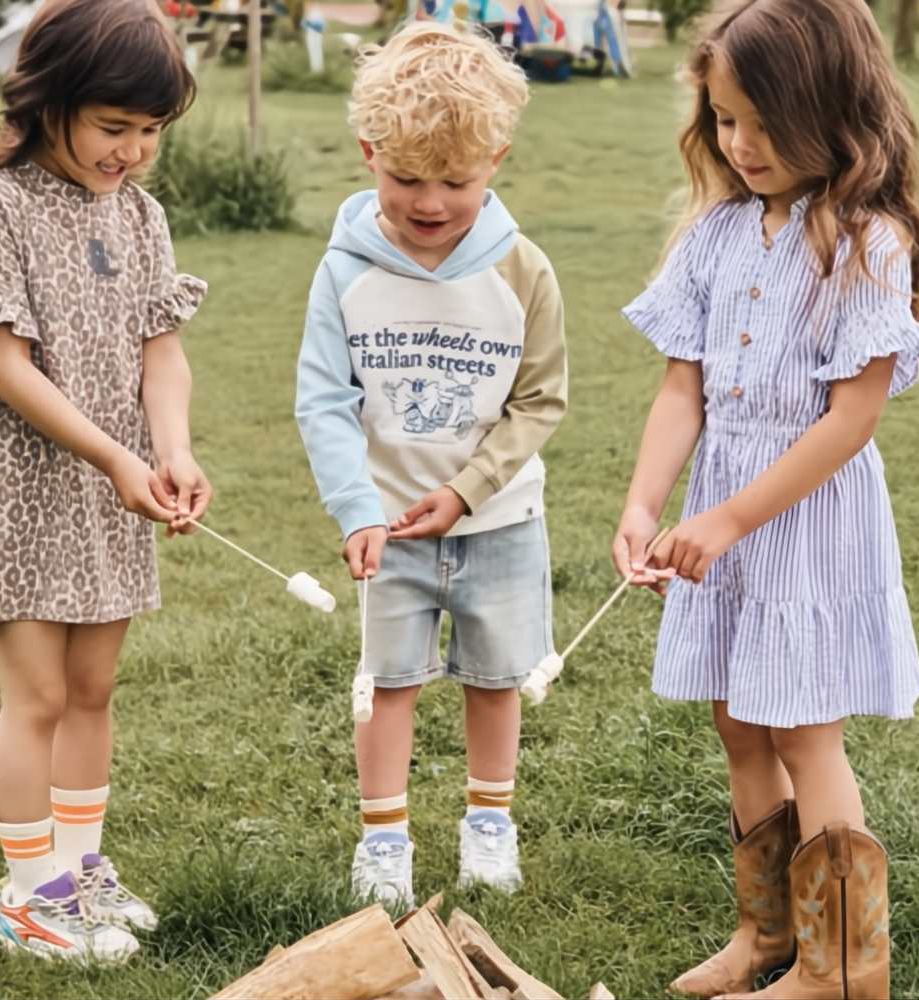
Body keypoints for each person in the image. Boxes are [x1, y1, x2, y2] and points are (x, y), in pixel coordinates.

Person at [612, 1, 919, 997]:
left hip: (805, 519)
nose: (739, 144)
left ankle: (842, 964)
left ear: (829, 110)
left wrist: (725, 520)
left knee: (802, 725)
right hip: (723, 512)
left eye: (761, 121)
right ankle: (765, 934)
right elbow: (684, 387)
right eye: (722, 119)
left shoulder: (865, 242)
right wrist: (645, 503)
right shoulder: (715, 234)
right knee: (737, 717)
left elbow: (849, 422)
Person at [0, 0, 211, 963]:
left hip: (118, 489)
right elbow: (8, 365)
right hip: (24, 490)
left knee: (94, 687)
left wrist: (171, 449)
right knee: (39, 695)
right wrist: (114, 456)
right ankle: (28, 896)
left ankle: (79, 867)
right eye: (114, 127)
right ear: (45, 102)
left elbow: (164, 355)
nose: (133, 151)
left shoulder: (140, 216)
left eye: (150, 131)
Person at [296, 21, 567, 905]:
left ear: (498, 158)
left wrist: (468, 489)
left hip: (500, 521)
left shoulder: (525, 271)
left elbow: (539, 402)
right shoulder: (343, 273)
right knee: (387, 683)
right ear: (369, 151)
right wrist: (356, 510)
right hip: (389, 530)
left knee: (496, 680)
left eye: (455, 178)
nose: (430, 200)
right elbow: (324, 400)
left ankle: (489, 824)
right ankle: (384, 841)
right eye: (406, 177)